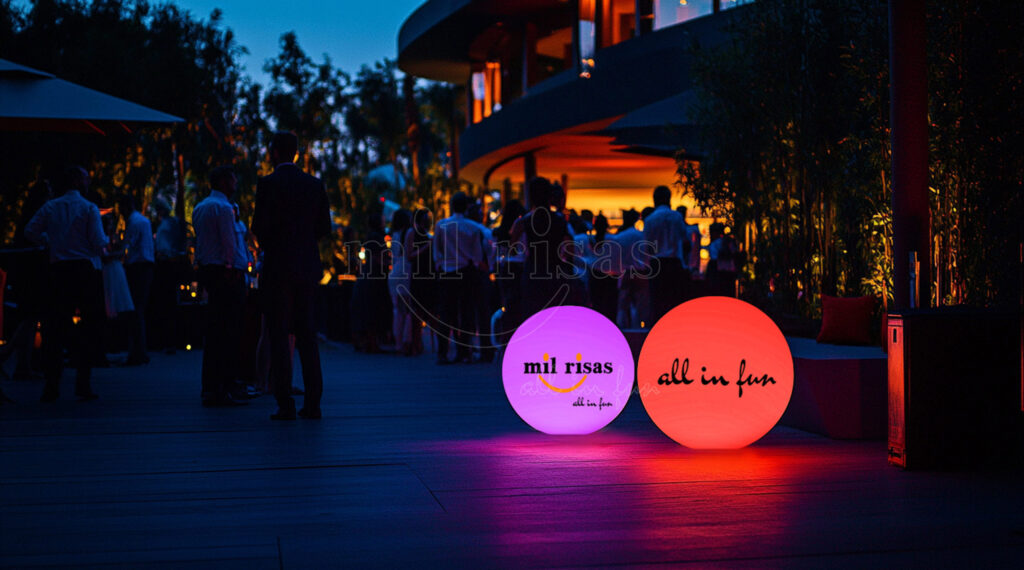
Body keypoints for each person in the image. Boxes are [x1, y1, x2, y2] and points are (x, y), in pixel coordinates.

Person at [253, 132, 331, 420]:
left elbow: (259, 226)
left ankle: (284, 402)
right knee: (307, 336)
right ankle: (313, 402)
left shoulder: (267, 185)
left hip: (277, 268)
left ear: (274, 152)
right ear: (296, 153)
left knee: (278, 334)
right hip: (306, 267)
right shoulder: (313, 185)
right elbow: (324, 227)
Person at [24, 165, 106, 402]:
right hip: (83, 268)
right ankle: (83, 382)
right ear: (81, 183)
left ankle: (52, 384)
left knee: (54, 327)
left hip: (58, 269)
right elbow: (98, 241)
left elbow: (30, 231)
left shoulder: (51, 206)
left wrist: (48, 240)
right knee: (90, 325)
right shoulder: (89, 208)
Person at [192, 166, 248, 408]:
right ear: (226, 182)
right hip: (225, 273)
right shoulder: (225, 208)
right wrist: (232, 268)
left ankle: (212, 386)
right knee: (228, 331)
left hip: (209, 269)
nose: (236, 182)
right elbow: (229, 243)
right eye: (234, 178)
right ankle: (224, 386)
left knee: (214, 330)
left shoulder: (200, 207)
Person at [433, 191, 488, 364]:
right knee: (465, 312)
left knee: (446, 312)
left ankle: (442, 353)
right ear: (466, 207)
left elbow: (437, 249)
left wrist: (440, 265)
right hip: (467, 270)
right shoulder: (473, 227)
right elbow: (478, 254)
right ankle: (463, 352)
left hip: (448, 271)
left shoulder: (442, 225)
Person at [510, 178, 574, 318]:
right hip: (555, 271)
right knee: (555, 314)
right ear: (549, 196)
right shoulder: (560, 220)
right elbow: (570, 249)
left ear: (531, 196)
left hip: (533, 271)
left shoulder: (523, 222)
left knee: (533, 314)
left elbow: (512, 249)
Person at [116, 194, 155, 365]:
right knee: (139, 309)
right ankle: (140, 350)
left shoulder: (133, 223)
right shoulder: (143, 221)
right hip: (146, 266)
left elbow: (127, 246)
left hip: (137, 267)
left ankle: (137, 352)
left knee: (134, 310)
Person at [643, 186, 689, 324]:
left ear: (654, 200)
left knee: (657, 301)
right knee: (674, 300)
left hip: (657, 263)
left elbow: (647, 245)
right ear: (669, 199)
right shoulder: (677, 217)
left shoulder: (650, 219)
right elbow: (684, 239)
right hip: (675, 262)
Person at [610, 209, 650, 328]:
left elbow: (616, 258)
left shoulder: (620, 237)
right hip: (641, 273)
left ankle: (624, 330)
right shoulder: (641, 235)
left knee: (623, 305)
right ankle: (640, 330)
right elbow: (647, 255)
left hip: (626, 273)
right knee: (641, 305)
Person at [404, 208, 435, 356]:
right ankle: (415, 344)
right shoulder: (412, 232)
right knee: (417, 311)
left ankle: (420, 343)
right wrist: (426, 246)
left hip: (428, 274)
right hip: (418, 274)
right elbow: (409, 254)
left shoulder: (426, 233)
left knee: (428, 309)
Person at [388, 209, 414, 355]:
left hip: (394, 271)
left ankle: (398, 342)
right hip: (404, 270)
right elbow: (409, 254)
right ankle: (406, 342)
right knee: (408, 309)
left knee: (397, 309)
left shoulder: (394, 234)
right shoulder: (409, 232)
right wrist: (426, 246)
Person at [707, 222, 739, 297]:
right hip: (730, 272)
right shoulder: (729, 241)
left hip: (718, 273)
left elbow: (713, 258)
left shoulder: (714, 244)